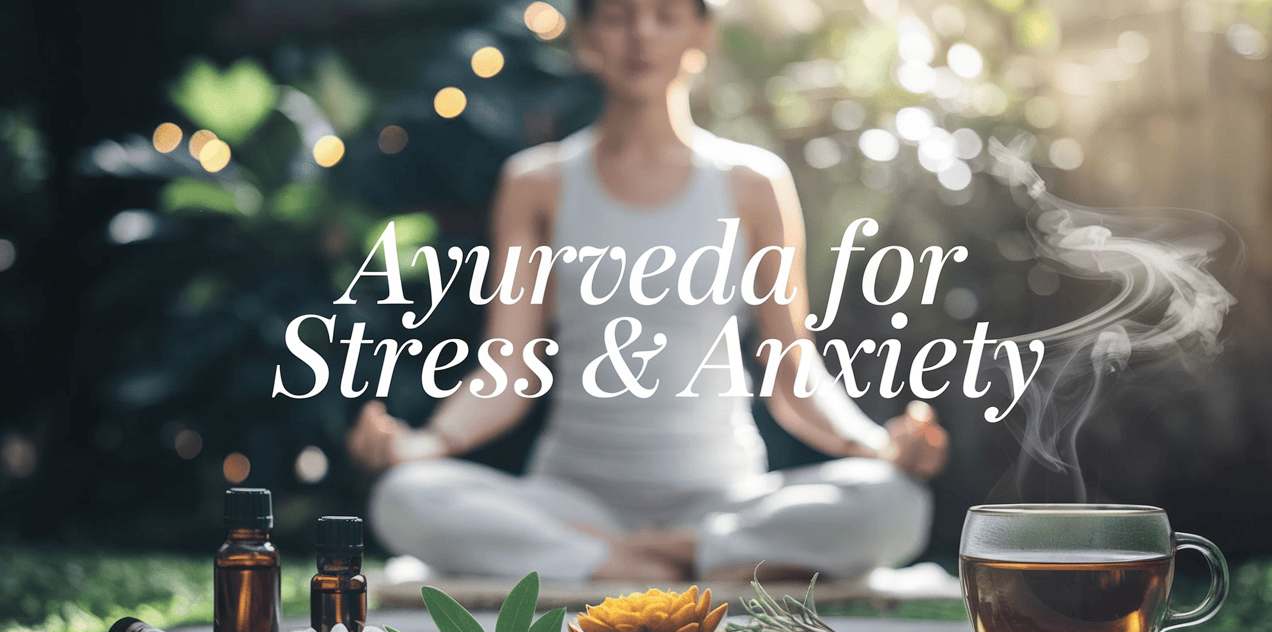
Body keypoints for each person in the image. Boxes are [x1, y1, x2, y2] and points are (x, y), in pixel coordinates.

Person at [348, 0, 949, 582]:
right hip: (570, 504)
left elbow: (791, 366)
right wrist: (425, 444)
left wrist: (875, 446)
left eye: (665, 14)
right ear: (584, 37)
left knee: (896, 505)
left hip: (726, 501)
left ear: (702, 35)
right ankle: (633, 559)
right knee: (405, 496)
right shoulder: (536, 183)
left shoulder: (754, 184)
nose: (641, 34)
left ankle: (666, 551)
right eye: (615, 14)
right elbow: (510, 365)